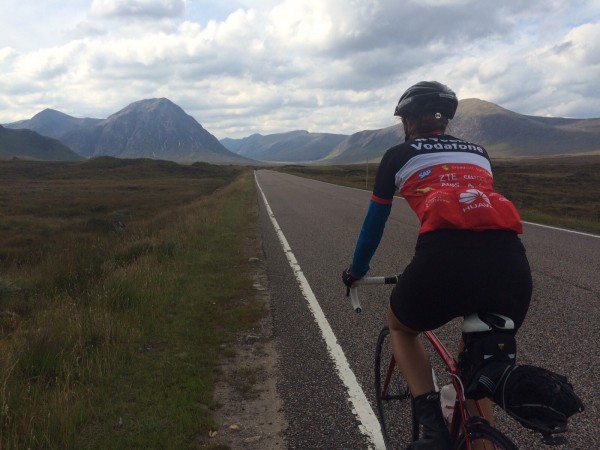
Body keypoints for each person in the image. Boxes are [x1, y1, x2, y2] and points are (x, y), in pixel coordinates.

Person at [342, 81, 532, 449]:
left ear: (409, 121)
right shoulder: (479, 152)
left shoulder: (398, 154)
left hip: (445, 259)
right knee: (476, 370)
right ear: (445, 120)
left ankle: (431, 426)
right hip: (511, 265)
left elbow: (373, 225)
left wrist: (356, 271)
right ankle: (481, 440)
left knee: (400, 326)